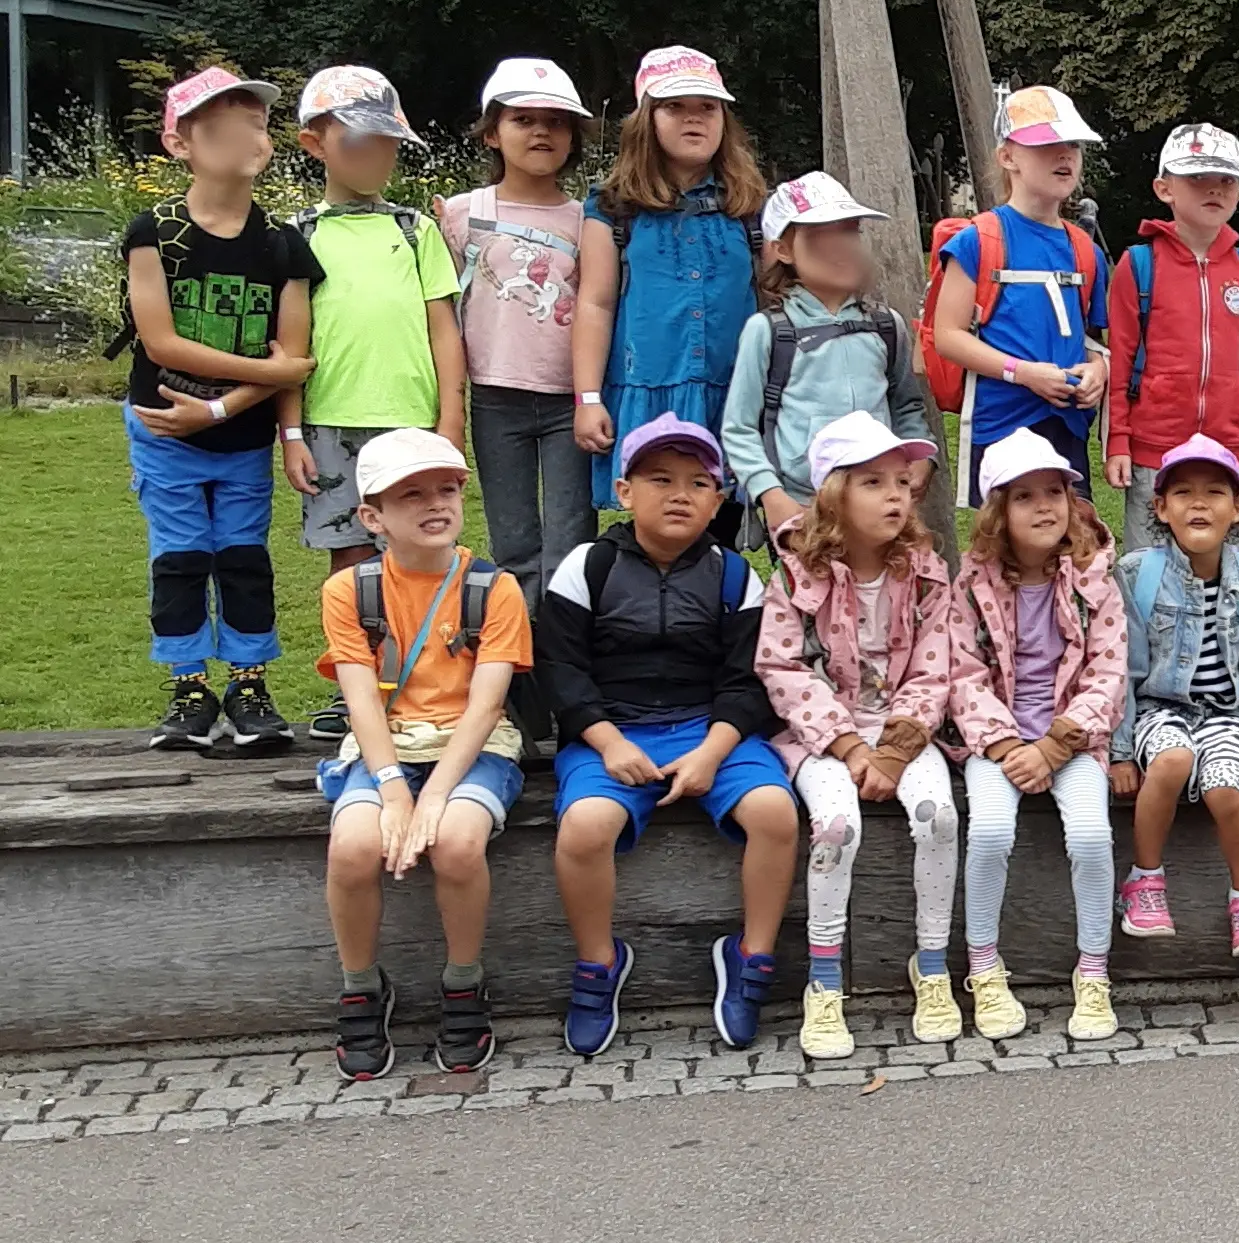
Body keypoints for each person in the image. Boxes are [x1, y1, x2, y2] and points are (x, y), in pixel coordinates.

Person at [539, 416, 803, 1057]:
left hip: (709, 730)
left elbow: (751, 682)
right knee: (584, 828)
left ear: (719, 500)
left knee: (775, 812)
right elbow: (560, 671)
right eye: (660, 479)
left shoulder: (736, 574)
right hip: (613, 732)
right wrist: (608, 743)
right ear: (625, 492)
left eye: (699, 482)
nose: (680, 494)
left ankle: (751, 959)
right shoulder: (586, 567)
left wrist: (713, 752)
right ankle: (599, 966)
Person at [312, 429, 530, 1079]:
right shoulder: (350, 592)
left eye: (446, 489)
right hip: (388, 745)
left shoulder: (495, 589)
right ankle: (361, 987)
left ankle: (464, 984)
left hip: (474, 743)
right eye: (411, 495)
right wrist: (395, 788)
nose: (435, 504)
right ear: (372, 517)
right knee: (353, 845)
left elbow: (488, 705)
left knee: (458, 842)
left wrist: (432, 796)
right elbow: (360, 700)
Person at [118, 66, 317, 754]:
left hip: (242, 437)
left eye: (257, 122)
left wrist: (228, 404)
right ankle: (187, 688)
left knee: (241, 557)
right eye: (225, 124)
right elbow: (161, 340)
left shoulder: (283, 243)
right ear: (181, 143)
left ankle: (250, 683)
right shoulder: (155, 233)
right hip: (162, 428)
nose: (248, 135)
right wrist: (270, 370)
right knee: (179, 557)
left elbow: (297, 352)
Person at [755, 413, 961, 1059]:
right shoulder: (796, 576)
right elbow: (782, 667)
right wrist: (850, 748)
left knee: (940, 818)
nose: (896, 495)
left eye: (903, 481)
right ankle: (823, 979)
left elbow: (937, 665)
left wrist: (895, 751)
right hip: (821, 736)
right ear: (833, 494)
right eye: (874, 482)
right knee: (838, 826)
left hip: (902, 730)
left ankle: (931, 964)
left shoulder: (925, 572)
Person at [279, 66, 466, 741]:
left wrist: (451, 419)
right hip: (331, 424)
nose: (375, 157)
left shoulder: (416, 231)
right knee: (349, 562)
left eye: (387, 143)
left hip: (412, 426)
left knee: (422, 555)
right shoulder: (298, 234)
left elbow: (443, 327)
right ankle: (352, 686)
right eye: (358, 142)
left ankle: (419, 682)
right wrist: (291, 432)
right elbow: (290, 344)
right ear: (314, 144)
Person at [948, 428, 1128, 1043]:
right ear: (997, 512)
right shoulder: (971, 587)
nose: (1045, 505)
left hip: (1070, 738)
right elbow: (962, 675)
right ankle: (984, 968)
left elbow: (1108, 671)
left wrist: (1056, 744)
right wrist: (1005, 747)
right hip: (995, 740)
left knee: (1090, 833)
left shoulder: (1092, 579)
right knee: (992, 829)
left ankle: (1095, 970)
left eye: (1055, 491)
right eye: (1024, 496)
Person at [1111, 436, 1239, 957]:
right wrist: (1120, 750)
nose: (1199, 504)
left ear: (1237, 507)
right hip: (1161, 709)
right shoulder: (1136, 574)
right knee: (1173, 760)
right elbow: (1123, 670)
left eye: (1215, 492)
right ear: (1160, 507)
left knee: (1225, 786)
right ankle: (1144, 880)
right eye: (1183, 493)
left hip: (1232, 716)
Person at [573, 46, 768, 538]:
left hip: (733, 395)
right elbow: (594, 304)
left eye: (707, 107)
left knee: (721, 532)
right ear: (646, 119)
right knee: (660, 530)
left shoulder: (750, 208)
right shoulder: (614, 206)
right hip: (650, 390)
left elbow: (773, 299)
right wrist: (588, 397)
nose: (693, 119)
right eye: (675, 107)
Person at [442, 58, 598, 602]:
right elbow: (442, 308)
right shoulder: (462, 214)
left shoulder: (589, 218)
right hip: (494, 395)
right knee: (512, 540)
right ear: (491, 133)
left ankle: (565, 654)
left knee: (571, 538)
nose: (540, 132)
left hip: (568, 400)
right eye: (522, 119)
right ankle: (517, 656)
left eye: (555, 122)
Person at [719, 171, 935, 544]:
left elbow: (906, 406)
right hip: (804, 508)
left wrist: (921, 460)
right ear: (783, 250)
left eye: (849, 231)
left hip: (878, 504)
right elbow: (738, 428)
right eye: (819, 236)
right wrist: (771, 495)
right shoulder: (768, 330)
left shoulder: (886, 325)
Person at [927, 85, 1113, 501]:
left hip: (1067, 427)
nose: (1065, 155)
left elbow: (1093, 343)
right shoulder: (978, 239)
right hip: (1000, 428)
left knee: (1067, 548)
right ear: (1007, 157)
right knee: (1005, 557)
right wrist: (1023, 373)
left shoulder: (1085, 250)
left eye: (1072, 145)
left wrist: (1099, 371)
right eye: (1048, 144)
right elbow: (948, 335)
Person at [1105, 124, 1239, 550]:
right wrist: (1119, 440)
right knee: (1149, 571)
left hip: (1228, 449)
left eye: (1227, 180)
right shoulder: (1139, 265)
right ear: (1165, 189)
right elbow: (1120, 358)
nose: (1214, 189)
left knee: (1231, 572)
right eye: (1198, 178)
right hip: (1154, 450)